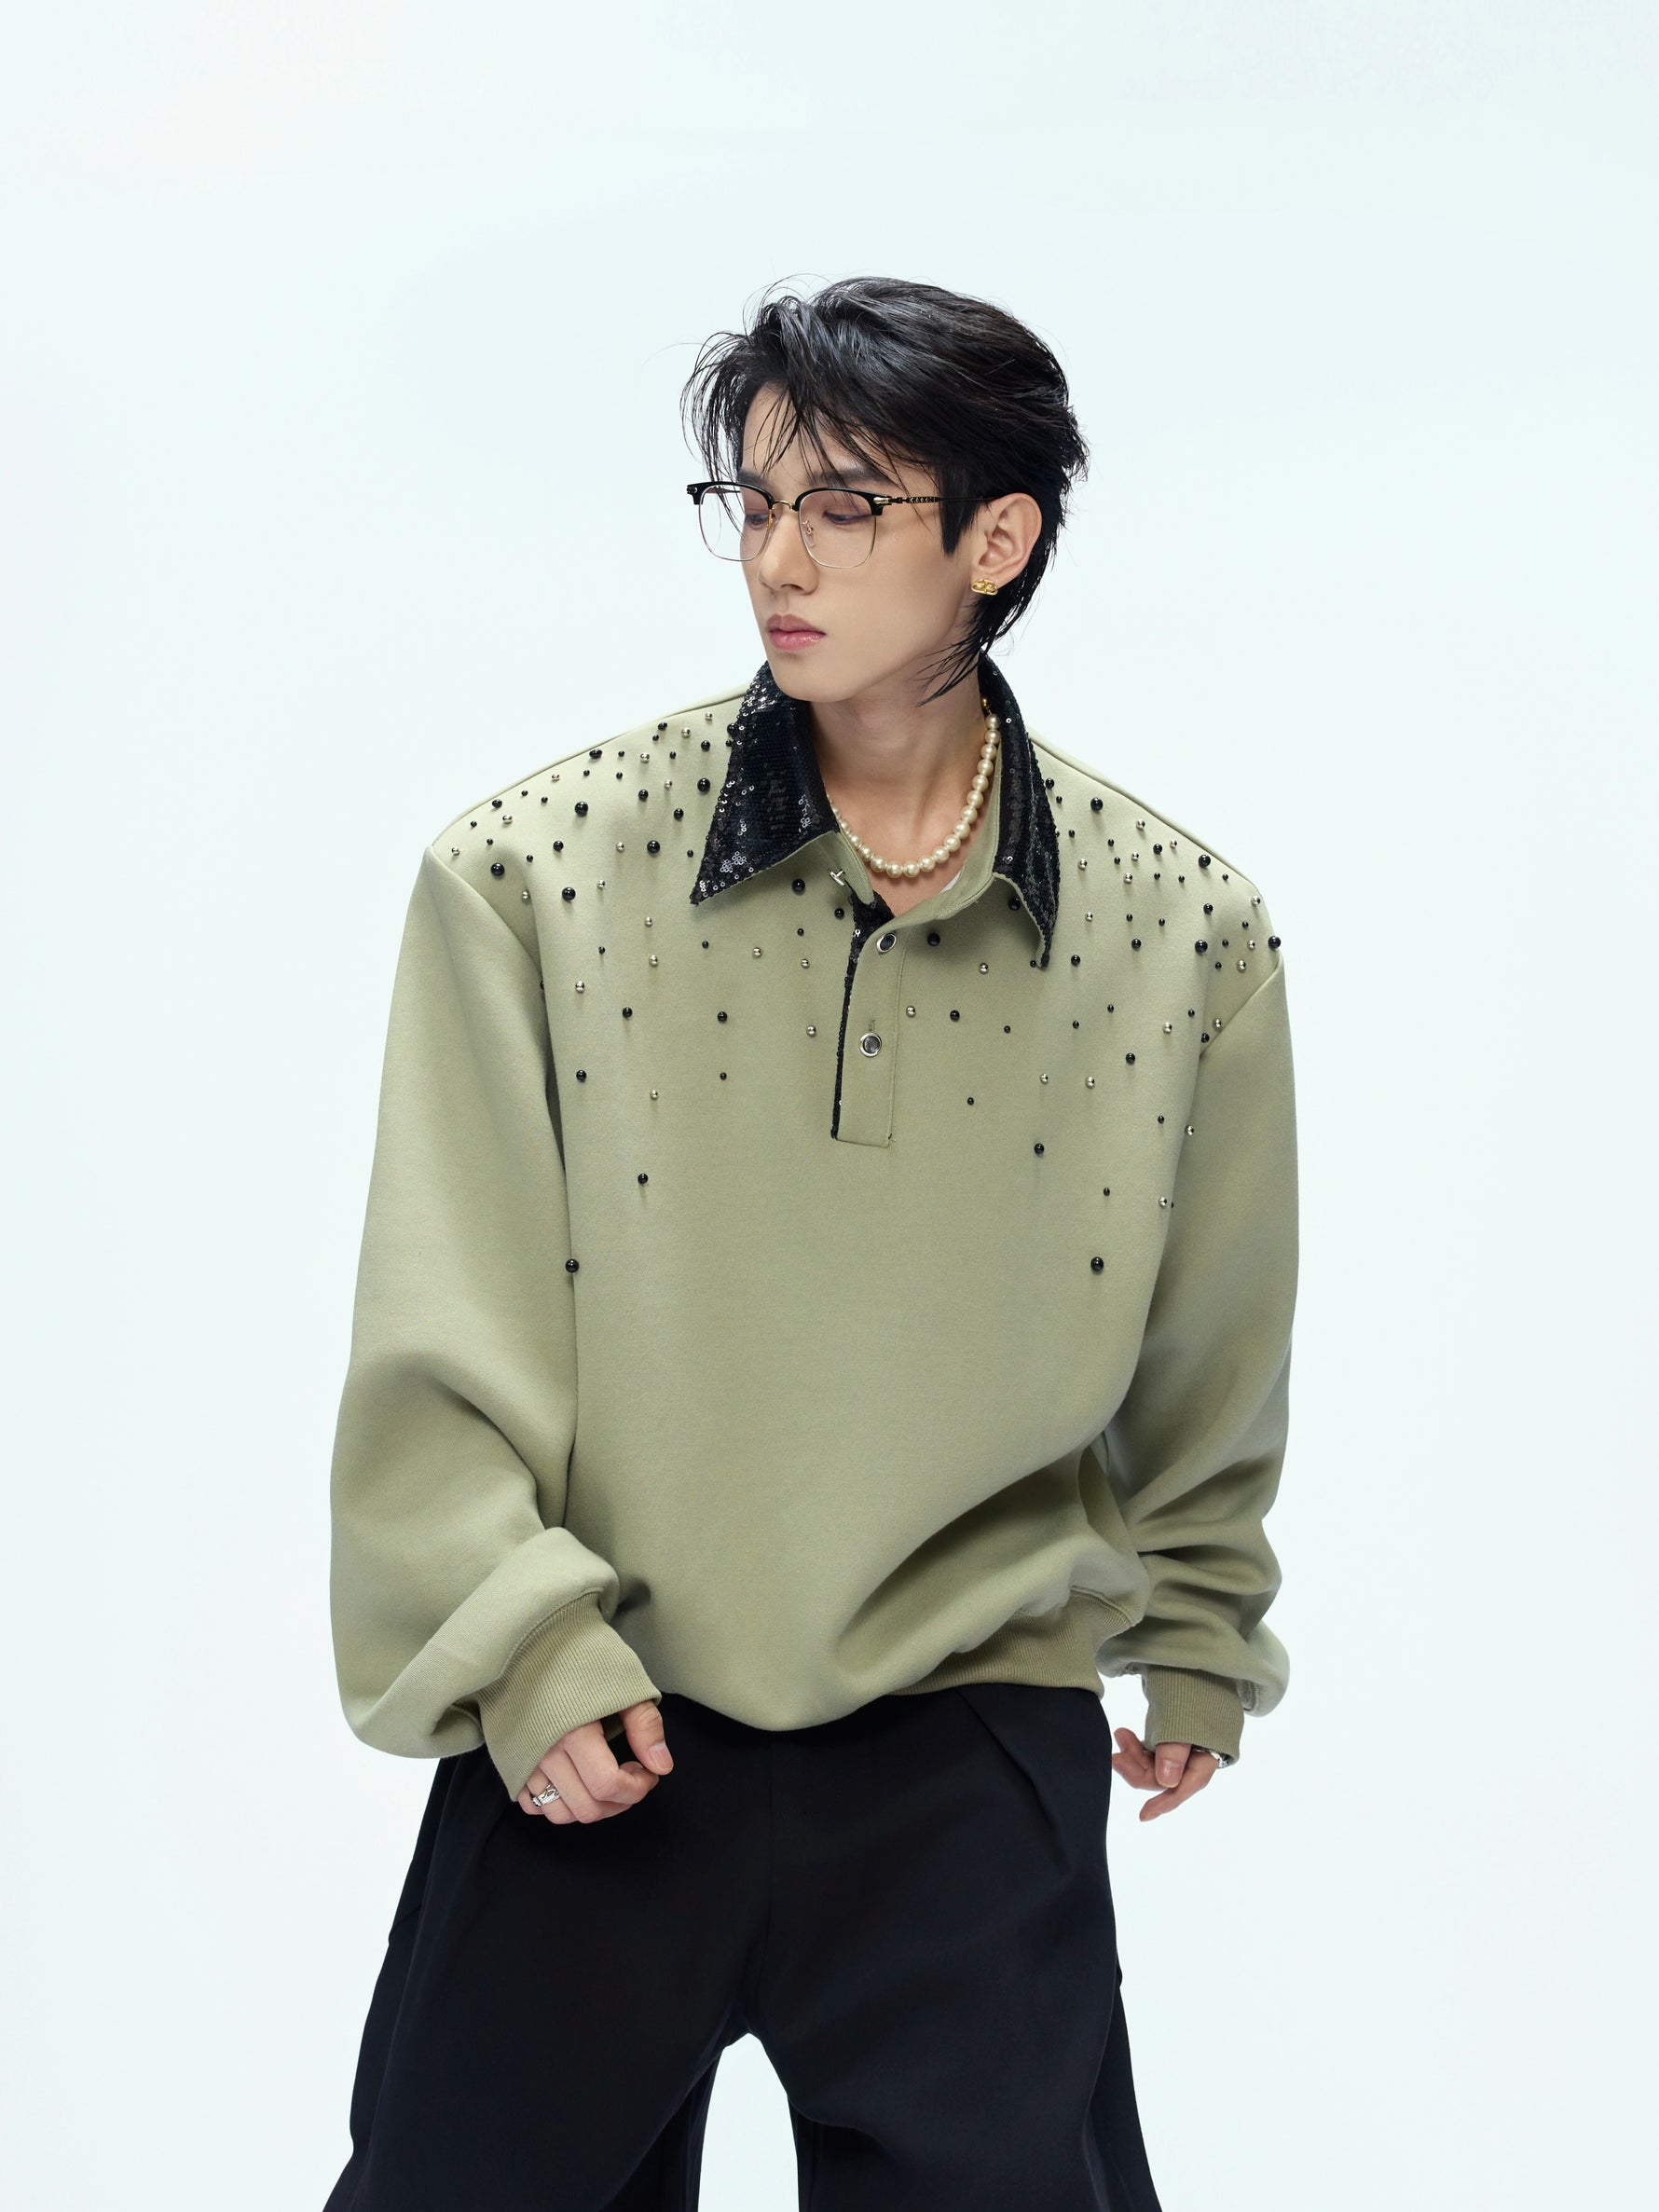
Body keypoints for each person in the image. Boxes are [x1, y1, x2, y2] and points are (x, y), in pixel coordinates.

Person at [322, 275, 1298, 2211]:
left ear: (996, 539)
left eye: (844, 506)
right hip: (601, 1723)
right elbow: (443, 1323)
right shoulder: (533, 873)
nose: (777, 556)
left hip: (969, 1749)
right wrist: (520, 1645)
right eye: (752, 502)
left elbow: (1214, 1332)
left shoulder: (1182, 933)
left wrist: (1199, 1624)